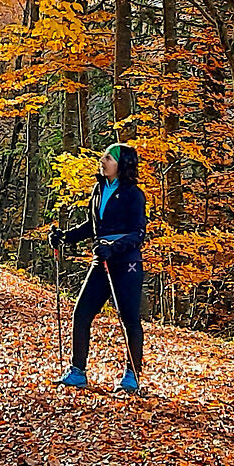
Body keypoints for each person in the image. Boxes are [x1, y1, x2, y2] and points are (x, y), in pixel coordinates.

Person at [51, 142, 146, 391]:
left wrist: (113, 248)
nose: (103, 161)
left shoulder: (134, 194)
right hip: (101, 259)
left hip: (126, 262)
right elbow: (92, 226)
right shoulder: (98, 188)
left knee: (129, 318)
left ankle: (132, 376)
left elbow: (138, 234)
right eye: (104, 157)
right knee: (82, 312)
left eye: (109, 158)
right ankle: (77, 371)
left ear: (122, 164)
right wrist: (65, 237)